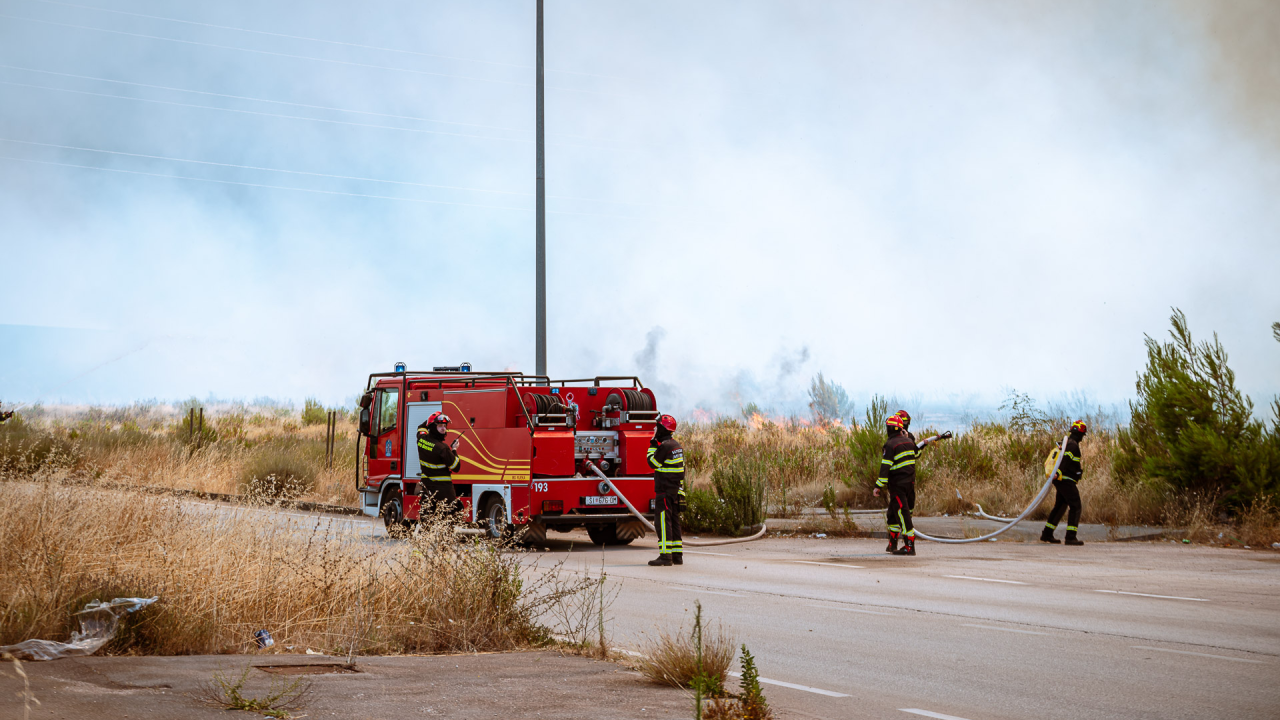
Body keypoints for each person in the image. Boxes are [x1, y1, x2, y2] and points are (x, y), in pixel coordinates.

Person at [874, 411, 921, 555]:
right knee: (894, 513)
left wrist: (878, 486)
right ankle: (892, 544)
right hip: (909, 484)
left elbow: (885, 467)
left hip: (897, 485)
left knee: (902, 513)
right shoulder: (909, 441)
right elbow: (917, 454)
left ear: (889, 429)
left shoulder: (890, 444)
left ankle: (909, 546)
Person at [647, 413, 685, 567]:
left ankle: (665, 556)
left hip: (664, 491)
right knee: (674, 522)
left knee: (663, 522)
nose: (656, 430)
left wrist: (652, 445)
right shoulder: (677, 446)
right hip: (675, 491)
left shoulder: (665, 447)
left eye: (658, 427)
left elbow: (652, 462)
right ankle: (677, 556)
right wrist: (681, 493)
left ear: (663, 429)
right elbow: (681, 471)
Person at [1041, 420, 1087, 546]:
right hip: (1065, 480)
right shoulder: (1072, 446)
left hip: (1061, 480)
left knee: (1060, 506)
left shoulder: (1066, 443)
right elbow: (1065, 460)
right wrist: (1059, 472)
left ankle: (1047, 533)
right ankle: (1071, 537)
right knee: (1075, 506)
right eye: (1082, 435)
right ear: (1080, 434)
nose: (1082, 438)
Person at [416, 411, 461, 519]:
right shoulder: (442, 448)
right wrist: (454, 450)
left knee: (427, 523)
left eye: (445, 426)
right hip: (444, 493)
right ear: (432, 427)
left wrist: (435, 416)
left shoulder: (421, 440)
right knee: (446, 524)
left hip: (427, 491)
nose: (443, 429)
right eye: (440, 426)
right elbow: (456, 467)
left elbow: (421, 427)